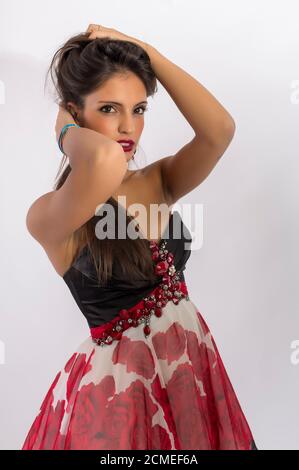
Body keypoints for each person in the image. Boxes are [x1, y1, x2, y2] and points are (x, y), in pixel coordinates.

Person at [21, 24, 258, 450]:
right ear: (75, 113)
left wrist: (147, 52)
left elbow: (219, 129)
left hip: (190, 372)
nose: (129, 127)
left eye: (140, 109)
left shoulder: (159, 181)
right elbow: (105, 160)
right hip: (118, 395)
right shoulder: (49, 217)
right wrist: (65, 133)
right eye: (110, 109)